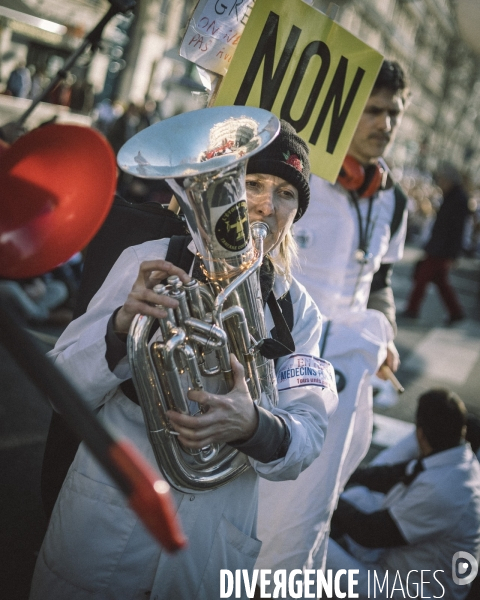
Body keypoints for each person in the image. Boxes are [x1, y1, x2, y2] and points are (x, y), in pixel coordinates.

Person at [29, 119, 338, 600]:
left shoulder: (301, 313)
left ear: (297, 213)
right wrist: (119, 330)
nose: (265, 205)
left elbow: (309, 434)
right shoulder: (148, 259)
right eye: (253, 183)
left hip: (207, 545)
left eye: (286, 195)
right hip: (104, 526)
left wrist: (254, 424)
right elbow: (57, 388)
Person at [255, 60, 410, 586]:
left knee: (311, 515)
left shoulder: (396, 198)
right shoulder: (301, 180)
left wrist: (385, 330)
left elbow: (381, 277)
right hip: (282, 364)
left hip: (350, 378)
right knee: (263, 510)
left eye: (394, 112)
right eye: (372, 110)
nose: (385, 124)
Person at [326, 388, 480, 600]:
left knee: (315, 542)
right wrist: (339, 478)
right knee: (359, 496)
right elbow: (388, 475)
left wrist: (326, 496)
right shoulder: (456, 458)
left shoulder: (443, 489)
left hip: (413, 591)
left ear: (420, 433)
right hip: (401, 564)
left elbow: (370, 533)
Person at [403, 161, 470, 325]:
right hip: (439, 247)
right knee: (440, 282)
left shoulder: (458, 199)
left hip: (442, 249)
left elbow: (457, 229)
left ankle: (413, 309)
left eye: (442, 179)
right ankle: (455, 312)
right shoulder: (453, 196)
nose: (440, 183)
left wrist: (453, 253)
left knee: (422, 278)